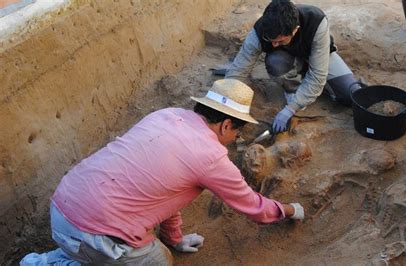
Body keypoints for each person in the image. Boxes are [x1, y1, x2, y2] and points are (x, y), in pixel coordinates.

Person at [20, 79, 304, 266]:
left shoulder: (165, 115)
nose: (236, 139)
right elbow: (255, 208)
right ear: (226, 125)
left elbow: (166, 191)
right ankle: (57, 262)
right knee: (160, 261)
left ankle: (58, 257)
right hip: (95, 234)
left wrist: (175, 236)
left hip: (61, 207)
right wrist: (291, 210)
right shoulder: (212, 157)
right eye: (238, 132)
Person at [225, 0, 363, 133]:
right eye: (270, 40)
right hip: (286, 59)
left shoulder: (316, 21)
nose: (274, 45)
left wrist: (290, 109)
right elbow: (239, 68)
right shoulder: (260, 30)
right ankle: (293, 88)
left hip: (318, 56)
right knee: (275, 62)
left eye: (280, 40)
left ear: (295, 30)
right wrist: (224, 99)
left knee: (349, 95)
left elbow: (318, 75)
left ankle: (306, 86)